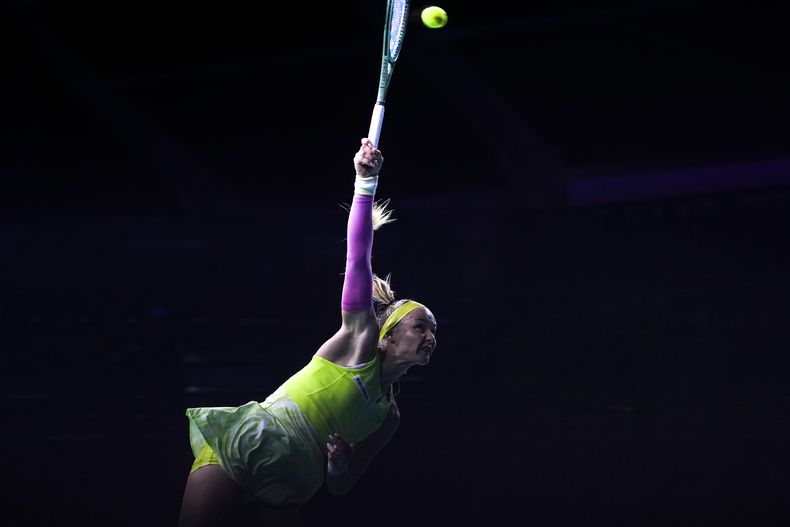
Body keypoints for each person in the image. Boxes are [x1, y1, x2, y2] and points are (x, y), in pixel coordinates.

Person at [177, 138, 438, 527]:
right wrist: (365, 183)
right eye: (421, 326)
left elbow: (342, 486)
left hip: (292, 482)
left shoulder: (389, 417)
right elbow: (357, 256)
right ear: (387, 335)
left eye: (434, 331)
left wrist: (337, 466)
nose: (431, 336)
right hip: (254, 444)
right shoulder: (358, 341)